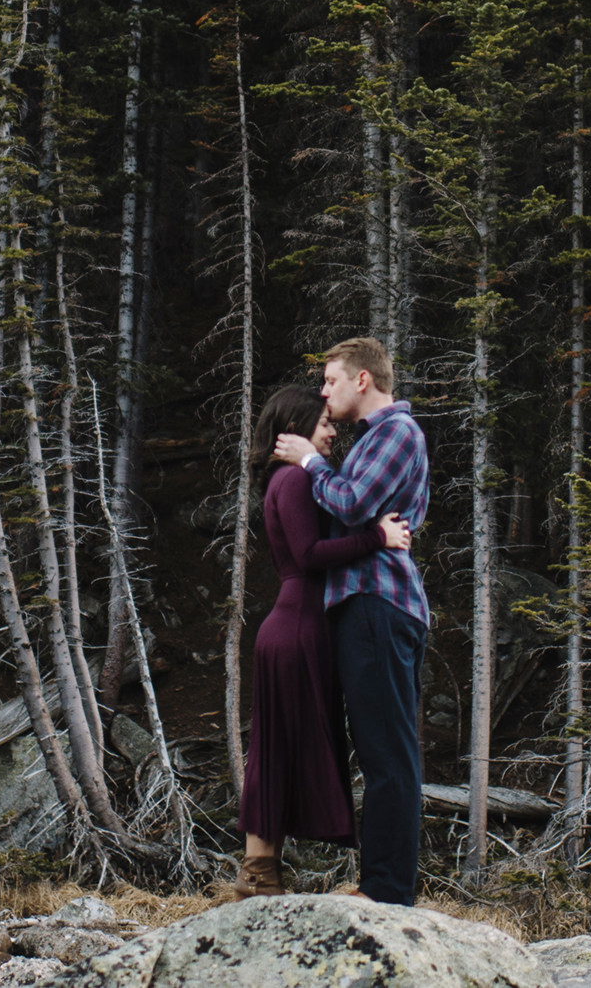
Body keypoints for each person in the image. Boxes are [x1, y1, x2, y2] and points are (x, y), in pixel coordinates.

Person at [237, 384, 413, 898]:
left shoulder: (288, 478)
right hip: (298, 625)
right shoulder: (292, 480)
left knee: (278, 745)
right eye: (323, 423)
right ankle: (257, 873)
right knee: (277, 746)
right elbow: (310, 554)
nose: (333, 430)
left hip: (293, 624)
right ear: (296, 426)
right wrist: (376, 539)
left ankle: (260, 872)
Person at [272, 336, 430, 906]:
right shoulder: (374, 439)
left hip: (378, 604)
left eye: (331, 379)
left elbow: (355, 503)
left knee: (388, 753)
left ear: (362, 380)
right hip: (367, 605)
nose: (324, 390)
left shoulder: (396, 433)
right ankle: (382, 883)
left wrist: (311, 462)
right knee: (381, 749)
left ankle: (386, 891)